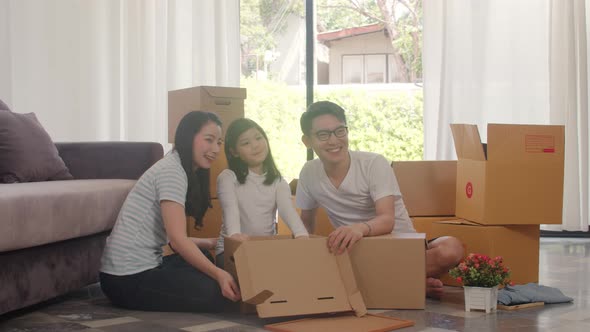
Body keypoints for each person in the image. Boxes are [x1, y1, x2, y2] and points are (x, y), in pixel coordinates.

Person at [295, 101, 464, 298]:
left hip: (400, 248)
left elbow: (387, 220)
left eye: (340, 131)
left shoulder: (373, 163)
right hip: (356, 254)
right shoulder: (309, 172)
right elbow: (306, 222)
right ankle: (409, 284)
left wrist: (358, 228)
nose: (334, 141)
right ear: (307, 141)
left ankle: (394, 283)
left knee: (451, 249)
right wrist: (302, 256)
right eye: (323, 135)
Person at [99, 111, 240, 312]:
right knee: (214, 291)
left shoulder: (177, 166)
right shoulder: (172, 172)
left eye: (219, 142)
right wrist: (220, 274)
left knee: (203, 258)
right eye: (209, 140)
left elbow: (171, 239)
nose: (215, 149)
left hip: (140, 267)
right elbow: (177, 241)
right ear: (188, 136)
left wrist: (209, 242)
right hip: (126, 279)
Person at [215, 118, 309, 267]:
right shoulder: (228, 177)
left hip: (264, 250)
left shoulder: (278, 181)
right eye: (246, 143)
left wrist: (302, 236)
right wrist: (235, 238)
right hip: (230, 252)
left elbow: (287, 212)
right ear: (234, 152)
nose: (255, 146)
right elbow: (230, 211)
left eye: (258, 138)